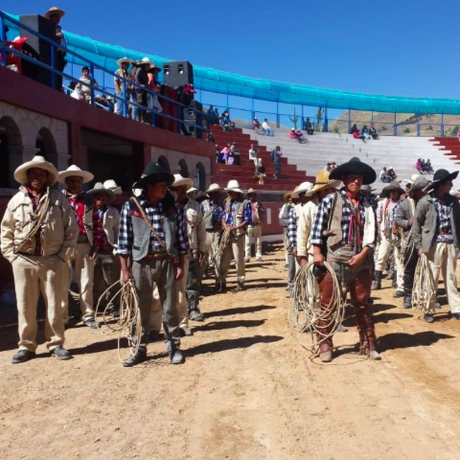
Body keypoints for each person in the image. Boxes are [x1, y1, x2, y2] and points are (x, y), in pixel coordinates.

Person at [1, 156, 78, 363]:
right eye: (33, 173)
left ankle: (56, 343)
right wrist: (12, 256)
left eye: (41, 173)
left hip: (53, 260)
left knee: (55, 304)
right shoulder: (16, 201)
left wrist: (62, 255)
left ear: (47, 177)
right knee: (25, 305)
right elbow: (6, 231)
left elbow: (72, 229)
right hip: (23, 260)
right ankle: (26, 346)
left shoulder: (58, 199)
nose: (37, 176)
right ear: (27, 176)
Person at [117, 162, 187, 366]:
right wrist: (124, 270)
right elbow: (124, 242)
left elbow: (182, 239)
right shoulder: (131, 207)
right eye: (160, 185)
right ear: (148, 186)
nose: (165, 188)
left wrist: (181, 264)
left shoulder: (173, 208)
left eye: (166, 185)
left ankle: (174, 347)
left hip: (167, 263)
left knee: (170, 307)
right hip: (141, 264)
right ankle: (139, 347)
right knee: (140, 307)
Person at [311, 157, 379, 363]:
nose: (356, 182)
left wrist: (363, 254)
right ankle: (325, 343)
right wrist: (316, 252)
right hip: (334, 258)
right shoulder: (330, 200)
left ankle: (368, 343)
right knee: (328, 303)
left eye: (359, 178)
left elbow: (372, 233)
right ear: (343, 179)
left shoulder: (368, 204)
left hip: (361, 260)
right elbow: (317, 227)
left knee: (362, 303)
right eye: (352, 178)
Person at [412, 169, 460, 323]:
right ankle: (429, 308)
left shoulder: (453, 201)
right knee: (431, 277)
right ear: (441, 185)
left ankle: (456, 308)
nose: (452, 184)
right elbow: (416, 225)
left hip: (451, 243)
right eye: (449, 182)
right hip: (432, 245)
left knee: (451, 276)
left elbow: (458, 223)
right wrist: (419, 246)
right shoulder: (425, 202)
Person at [59, 165, 98, 328]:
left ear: (82, 183)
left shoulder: (89, 200)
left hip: (84, 244)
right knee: (62, 281)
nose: (75, 184)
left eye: (78, 181)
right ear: (66, 182)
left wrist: (95, 245)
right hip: (64, 245)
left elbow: (96, 223)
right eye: (72, 181)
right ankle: (62, 316)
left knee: (86, 281)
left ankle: (88, 315)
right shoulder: (58, 199)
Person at [170, 174, 207, 330]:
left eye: (184, 188)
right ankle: (173, 315)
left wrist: (201, 248)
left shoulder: (195, 206)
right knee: (173, 285)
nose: (182, 191)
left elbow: (200, 228)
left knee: (192, 281)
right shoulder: (169, 206)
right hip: (174, 251)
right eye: (178, 188)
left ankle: (193, 309)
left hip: (191, 249)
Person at [395, 175, 430, 309]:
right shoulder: (405, 204)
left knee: (428, 269)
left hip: (426, 239)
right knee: (410, 269)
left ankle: (429, 296)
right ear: (418, 190)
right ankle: (408, 296)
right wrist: (408, 222)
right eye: (423, 189)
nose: (426, 192)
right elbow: (398, 220)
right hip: (410, 240)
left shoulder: (429, 203)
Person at [87, 182, 121, 317]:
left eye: (103, 196)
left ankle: (115, 305)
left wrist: (117, 247)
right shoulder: (88, 212)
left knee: (112, 281)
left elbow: (117, 230)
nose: (100, 198)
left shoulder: (113, 212)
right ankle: (99, 304)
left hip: (109, 250)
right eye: (98, 196)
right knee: (95, 280)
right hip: (92, 251)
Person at [297, 172, 341, 267]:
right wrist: (302, 257)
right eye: (330, 190)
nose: (333, 192)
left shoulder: (339, 204)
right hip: (314, 254)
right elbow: (302, 232)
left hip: (335, 253)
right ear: (322, 191)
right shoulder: (308, 208)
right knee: (314, 280)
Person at [372, 181, 405, 297]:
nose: (392, 193)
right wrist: (378, 233)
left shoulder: (402, 204)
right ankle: (377, 281)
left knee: (398, 257)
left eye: (394, 191)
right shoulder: (383, 203)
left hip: (398, 234)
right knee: (381, 255)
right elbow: (378, 219)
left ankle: (396, 280)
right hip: (386, 233)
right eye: (390, 191)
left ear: (398, 192)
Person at [219, 180, 251, 292]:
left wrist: (234, 228)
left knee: (239, 259)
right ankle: (222, 281)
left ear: (236, 192)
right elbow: (223, 216)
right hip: (227, 234)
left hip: (238, 235)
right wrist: (225, 226)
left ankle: (240, 280)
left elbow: (247, 220)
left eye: (230, 192)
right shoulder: (228, 203)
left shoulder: (245, 203)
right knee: (224, 258)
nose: (228, 194)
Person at [200, 183, 224, 281]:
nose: (217, 195)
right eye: (215, 193)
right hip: (205, 232)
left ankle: (218, 280)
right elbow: (200, 218)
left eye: (218, 193)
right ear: (211, 194)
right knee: (203, 257)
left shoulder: (220, 206)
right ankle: (199, 279)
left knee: (217, 256)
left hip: (216, 233)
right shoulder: (203, 204)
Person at [44, 7, 66, 91]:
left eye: (58, 16)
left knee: (59, 73)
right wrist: (57, 35)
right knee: (55, 72)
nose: (58, 18)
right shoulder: (48, 26)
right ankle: (55, 88)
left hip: (60, 54)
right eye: (56, 16)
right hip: (54, 53)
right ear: (51, 17)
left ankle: (58, 88)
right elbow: (47, 35)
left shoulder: (58, 28)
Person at [244, 189, 266, 262]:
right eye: (250, 195)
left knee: (258, 242)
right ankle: (247, 256)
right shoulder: (246, 203)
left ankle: (258, 256)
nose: (251, 197)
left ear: (254, 196)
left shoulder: (258, 203)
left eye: (252, 195)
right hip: (249, 225)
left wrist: (258, 208)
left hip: (257, 224)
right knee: (247, 242)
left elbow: (263, 211)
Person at [135, 57, 153, 123]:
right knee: (140, 103)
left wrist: (147, 86)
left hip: (144, 89)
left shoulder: (145, 71)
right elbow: (136, 77)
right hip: (139, 89)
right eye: (148, 65)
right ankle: (138, 118)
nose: (149, 66)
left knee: (144, 104)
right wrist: (140, 85)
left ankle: (143, 118)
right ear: (145, 64)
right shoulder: (140, 69)